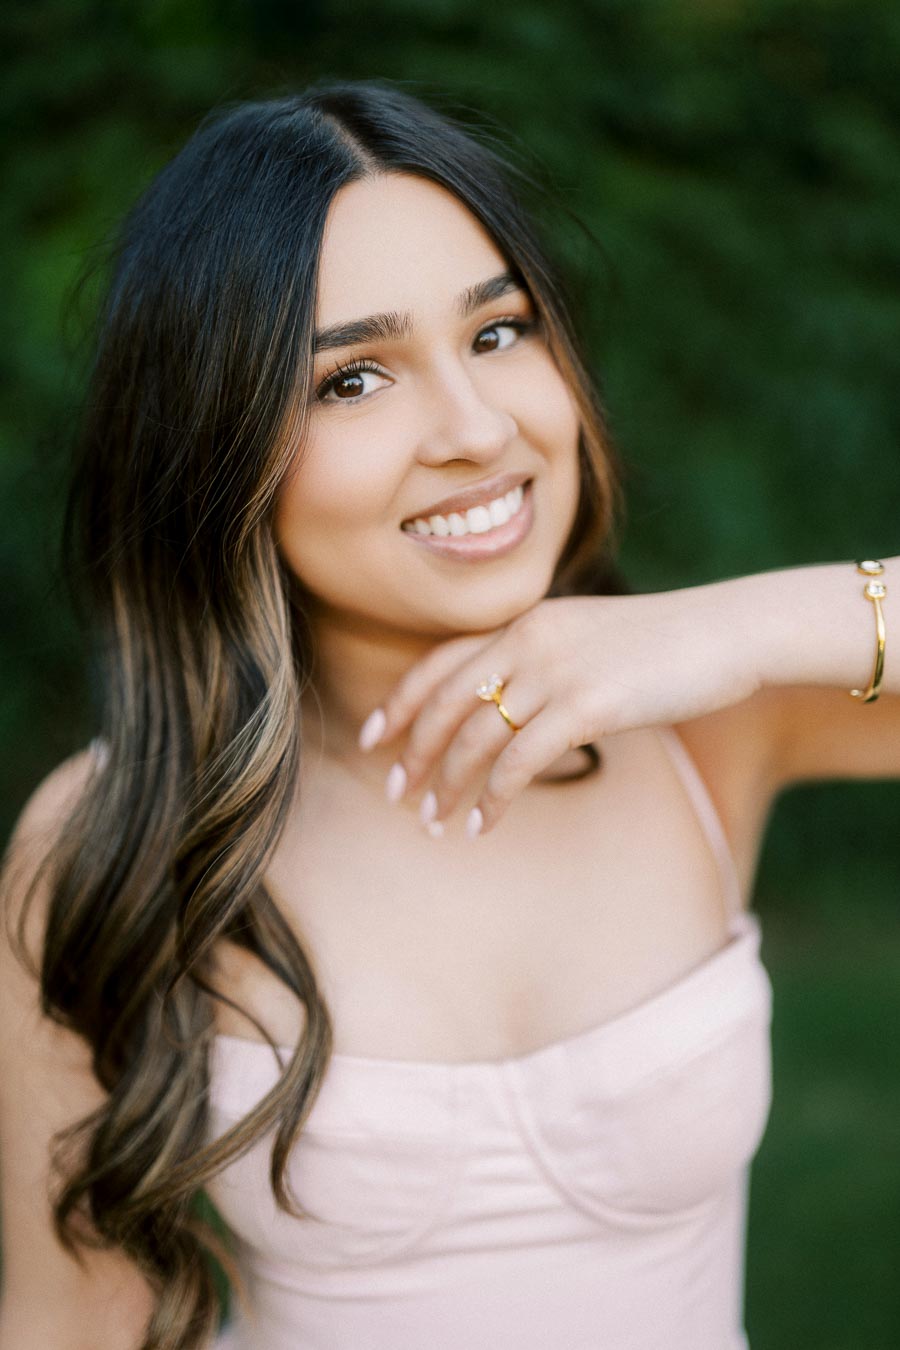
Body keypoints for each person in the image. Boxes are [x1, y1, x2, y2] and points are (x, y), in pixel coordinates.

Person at [0, 80, 896, 1350]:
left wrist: (735, 628)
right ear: (214, 448)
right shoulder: (111, 835)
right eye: (355, 379)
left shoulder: (713, 725)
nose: (476, 429)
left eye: (498, 333)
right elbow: (67, 1329)